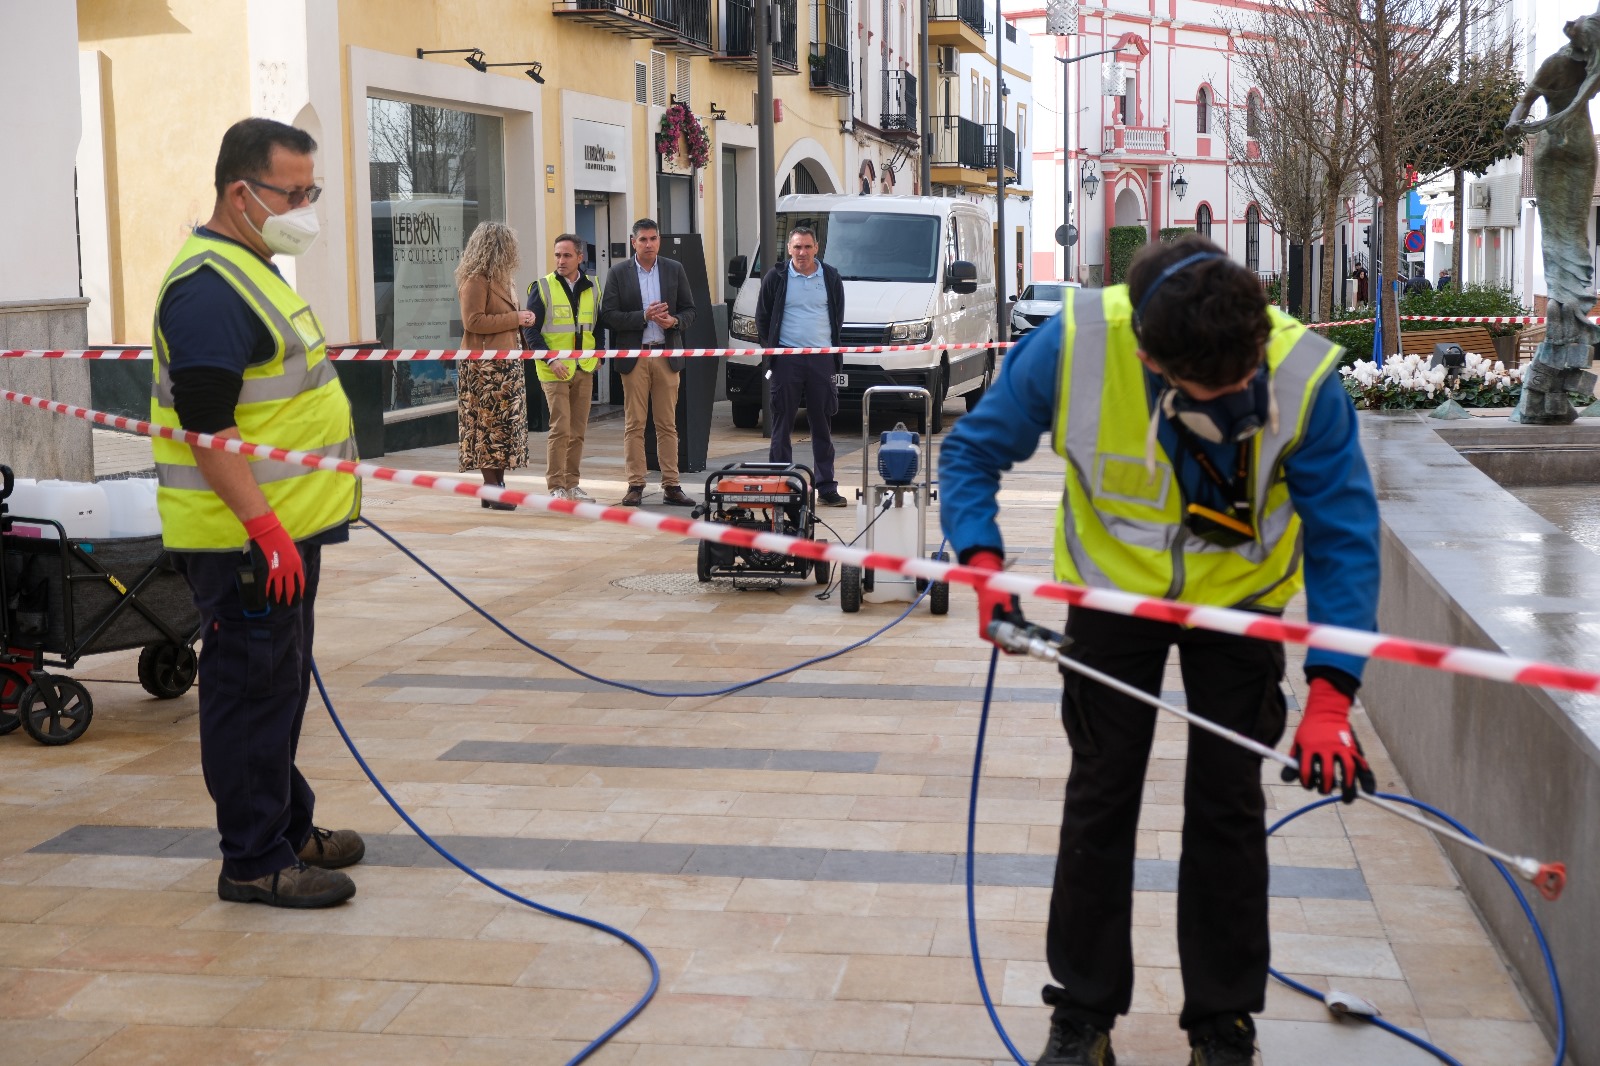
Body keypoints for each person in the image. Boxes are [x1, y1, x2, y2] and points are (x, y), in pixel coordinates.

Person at [939, 235, 1381, 1066]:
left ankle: (1222, 1021)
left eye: (1244, 378)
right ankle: (1084, 1014)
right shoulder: (1075, 344)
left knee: (1228, 810)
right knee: (1100, 800)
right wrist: (986, 569)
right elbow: (970, 453)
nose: (1242, 397)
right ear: (1151, 357)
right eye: (1213, 390)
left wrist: (1332, 699)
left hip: (1242, 610)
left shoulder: (1303, 377)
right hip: (1112, 598)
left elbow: (1345, 539)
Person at [151, 117, 364, 909]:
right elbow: (207, 428)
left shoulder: (252, 264)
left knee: (279, 687)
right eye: (294, 192)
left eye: (312, 190)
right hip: (245, 540)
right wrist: (266, 531)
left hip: (282, 534)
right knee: (249, 691)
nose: (305, 206)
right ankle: (252, 860)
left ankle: (285, 824)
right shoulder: (208, 287)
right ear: (241, 193)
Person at [600, 218, 698, 507]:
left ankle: (672, 484)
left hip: (666, 355)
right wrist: (643, 316)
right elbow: (608, 315)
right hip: (635, 356)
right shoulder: (618, 273)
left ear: (659, 241)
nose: (648, 244)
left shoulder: (673, 269)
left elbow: (691, 310)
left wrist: (674, 321)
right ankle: (635, 483)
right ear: (633, 242)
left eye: (653, 239)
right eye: (642, 239)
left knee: (667, 423)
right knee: (635, 423)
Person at [756, 226, 848, 507]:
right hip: (787, 359)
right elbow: (763, 317)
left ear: (816, 248)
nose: (802, 253)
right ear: (789, 249)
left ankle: (826, 486)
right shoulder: (777, 276)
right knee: (782, 422)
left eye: (807, 247)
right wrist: (773, 352)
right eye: (797, 247)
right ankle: (781, 484)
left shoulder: (830, 276)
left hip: (821, 359)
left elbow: (837, 317)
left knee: (822, 423)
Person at [456, 221, 535, 511]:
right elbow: (472, 321)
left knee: (503, 429)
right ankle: (492, 487)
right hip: (483, 367)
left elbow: (507, 317)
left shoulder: (504, 280)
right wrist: (516, 318)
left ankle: (495, 487)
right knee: (486, 428)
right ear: (496, 249)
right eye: (508, 247)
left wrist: (523, 319)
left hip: (507, 364)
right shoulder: (475, 280)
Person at [525, 233, 599, 501]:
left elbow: (597, 326)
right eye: (557, 255)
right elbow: (530, 332)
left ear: (580, 257)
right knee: (561, 428)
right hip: (553, 370)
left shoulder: (594, 287)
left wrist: (598, 355)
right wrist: (551, 360)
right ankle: (555, 485)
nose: (561, 260)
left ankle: (572, 484)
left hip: (584, 368)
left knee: (578, 431)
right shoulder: (542, 287)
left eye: (567, 255)